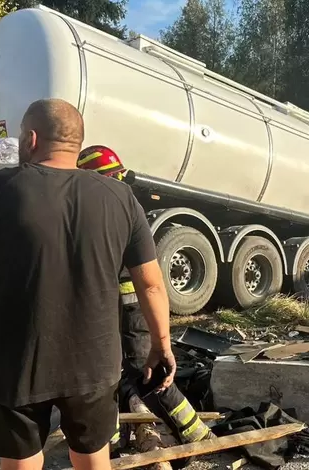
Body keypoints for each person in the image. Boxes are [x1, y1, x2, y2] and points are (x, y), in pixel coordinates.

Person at [0, 98, 175, 470]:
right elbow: (150, 284)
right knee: (92, 459)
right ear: (78, 142)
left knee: (20, 463)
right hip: (95, 362)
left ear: (31, 139)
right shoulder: (121, 197)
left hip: (18, 363)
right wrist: (161, 346)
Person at [76, 145, 215, 461]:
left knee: (147, 373)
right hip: (113, 309)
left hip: (129, 309)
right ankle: (113, 440)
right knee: (107, 373)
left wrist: (161, 341)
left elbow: (148, 281)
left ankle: (196, 434)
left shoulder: (108, 210)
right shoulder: (115, 207)